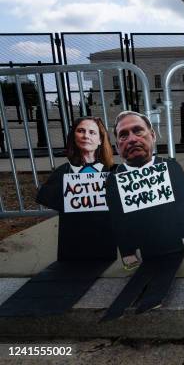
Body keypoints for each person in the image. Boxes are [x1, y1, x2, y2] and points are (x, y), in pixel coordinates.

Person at [0, 117, 118, 317]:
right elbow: (44, 196)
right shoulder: (64, 172)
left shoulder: (112, 172)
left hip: (103, 240)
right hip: (72, 241)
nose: (85, 136)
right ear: (74, 137)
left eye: (92, 132)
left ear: (100, 140)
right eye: (81, 131)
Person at [102, 111, 184, 320]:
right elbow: (118, 220)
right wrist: (127, 251)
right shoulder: (114, 180)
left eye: (138, 131)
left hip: (172, 243)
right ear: (118, 145)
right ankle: (125, 306)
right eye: (123, 135)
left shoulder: (170, 167)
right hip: (143, 246)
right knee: (145, 271)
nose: (131, 139)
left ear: (153, 135)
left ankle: (153, 298)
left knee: (166, 267)